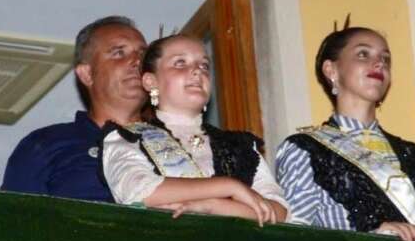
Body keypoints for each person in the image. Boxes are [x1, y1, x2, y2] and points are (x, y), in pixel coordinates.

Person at [275, 25, 415, 241]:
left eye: (385, 58)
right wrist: (373, 238)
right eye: (363, 54)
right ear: (331, 70)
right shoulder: (305, 149)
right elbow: (293, 239)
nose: (379, 64)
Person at [101, 33, 287, 225]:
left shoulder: (241, 145)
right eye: (180, 63)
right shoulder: (127, 137)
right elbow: (139, 191)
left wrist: (213, 206)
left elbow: (279, 212)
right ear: (150, 81)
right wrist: (229, 187)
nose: (198, 71)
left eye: (204, 65)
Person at [1, 16, 147, 201]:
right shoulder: (45, 144)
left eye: (143, 55)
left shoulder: (173, 142)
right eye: (119, 53)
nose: (137, 61)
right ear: (87, 74)